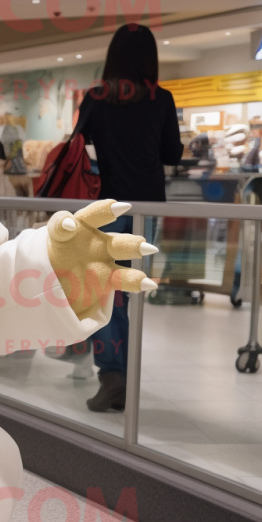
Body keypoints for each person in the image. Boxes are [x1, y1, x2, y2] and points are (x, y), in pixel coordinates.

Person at [79, 23, 183, 411]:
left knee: (103, 292)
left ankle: (112, 375)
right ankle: (126, 375)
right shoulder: (162, 99)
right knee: (130, 293)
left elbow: (78, 143)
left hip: (105, 208)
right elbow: (171, 153)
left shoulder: (95, 97)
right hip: (146, 209)